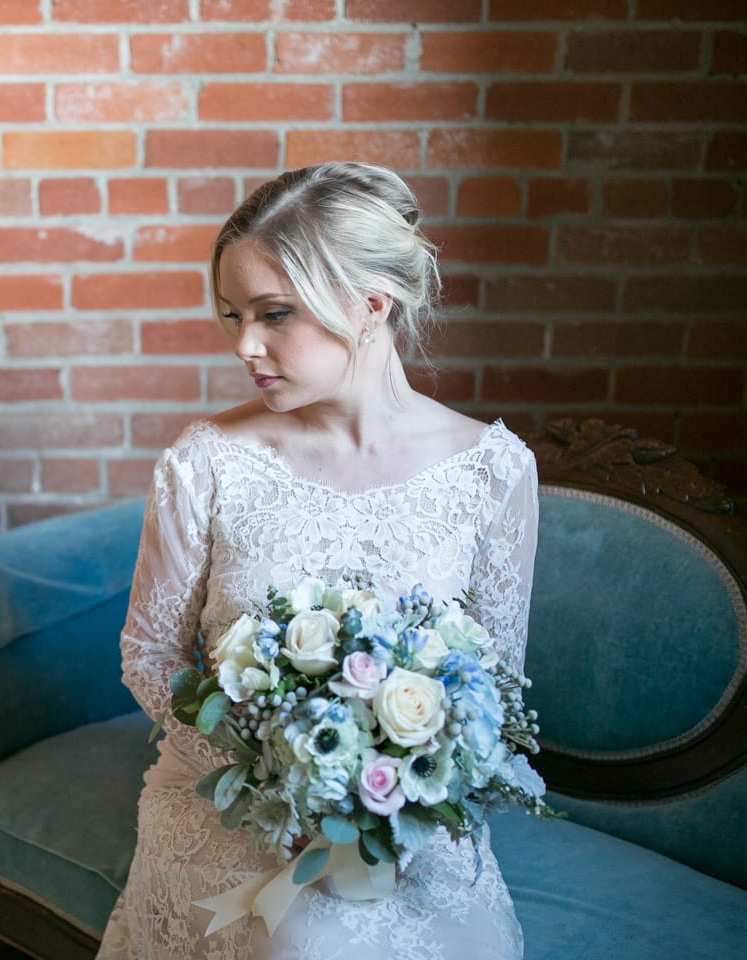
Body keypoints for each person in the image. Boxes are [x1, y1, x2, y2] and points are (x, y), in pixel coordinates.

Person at [96, 162, 539, 960]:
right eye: (232, 315)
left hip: (403, 817)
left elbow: (494, 690)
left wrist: (393, 798)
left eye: (274, 314)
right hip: (230, 803)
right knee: (299, 945)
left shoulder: (494, 471)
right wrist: (274, 776)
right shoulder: (207, 463)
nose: (245, 344)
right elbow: (150, 656)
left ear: (372, 305)